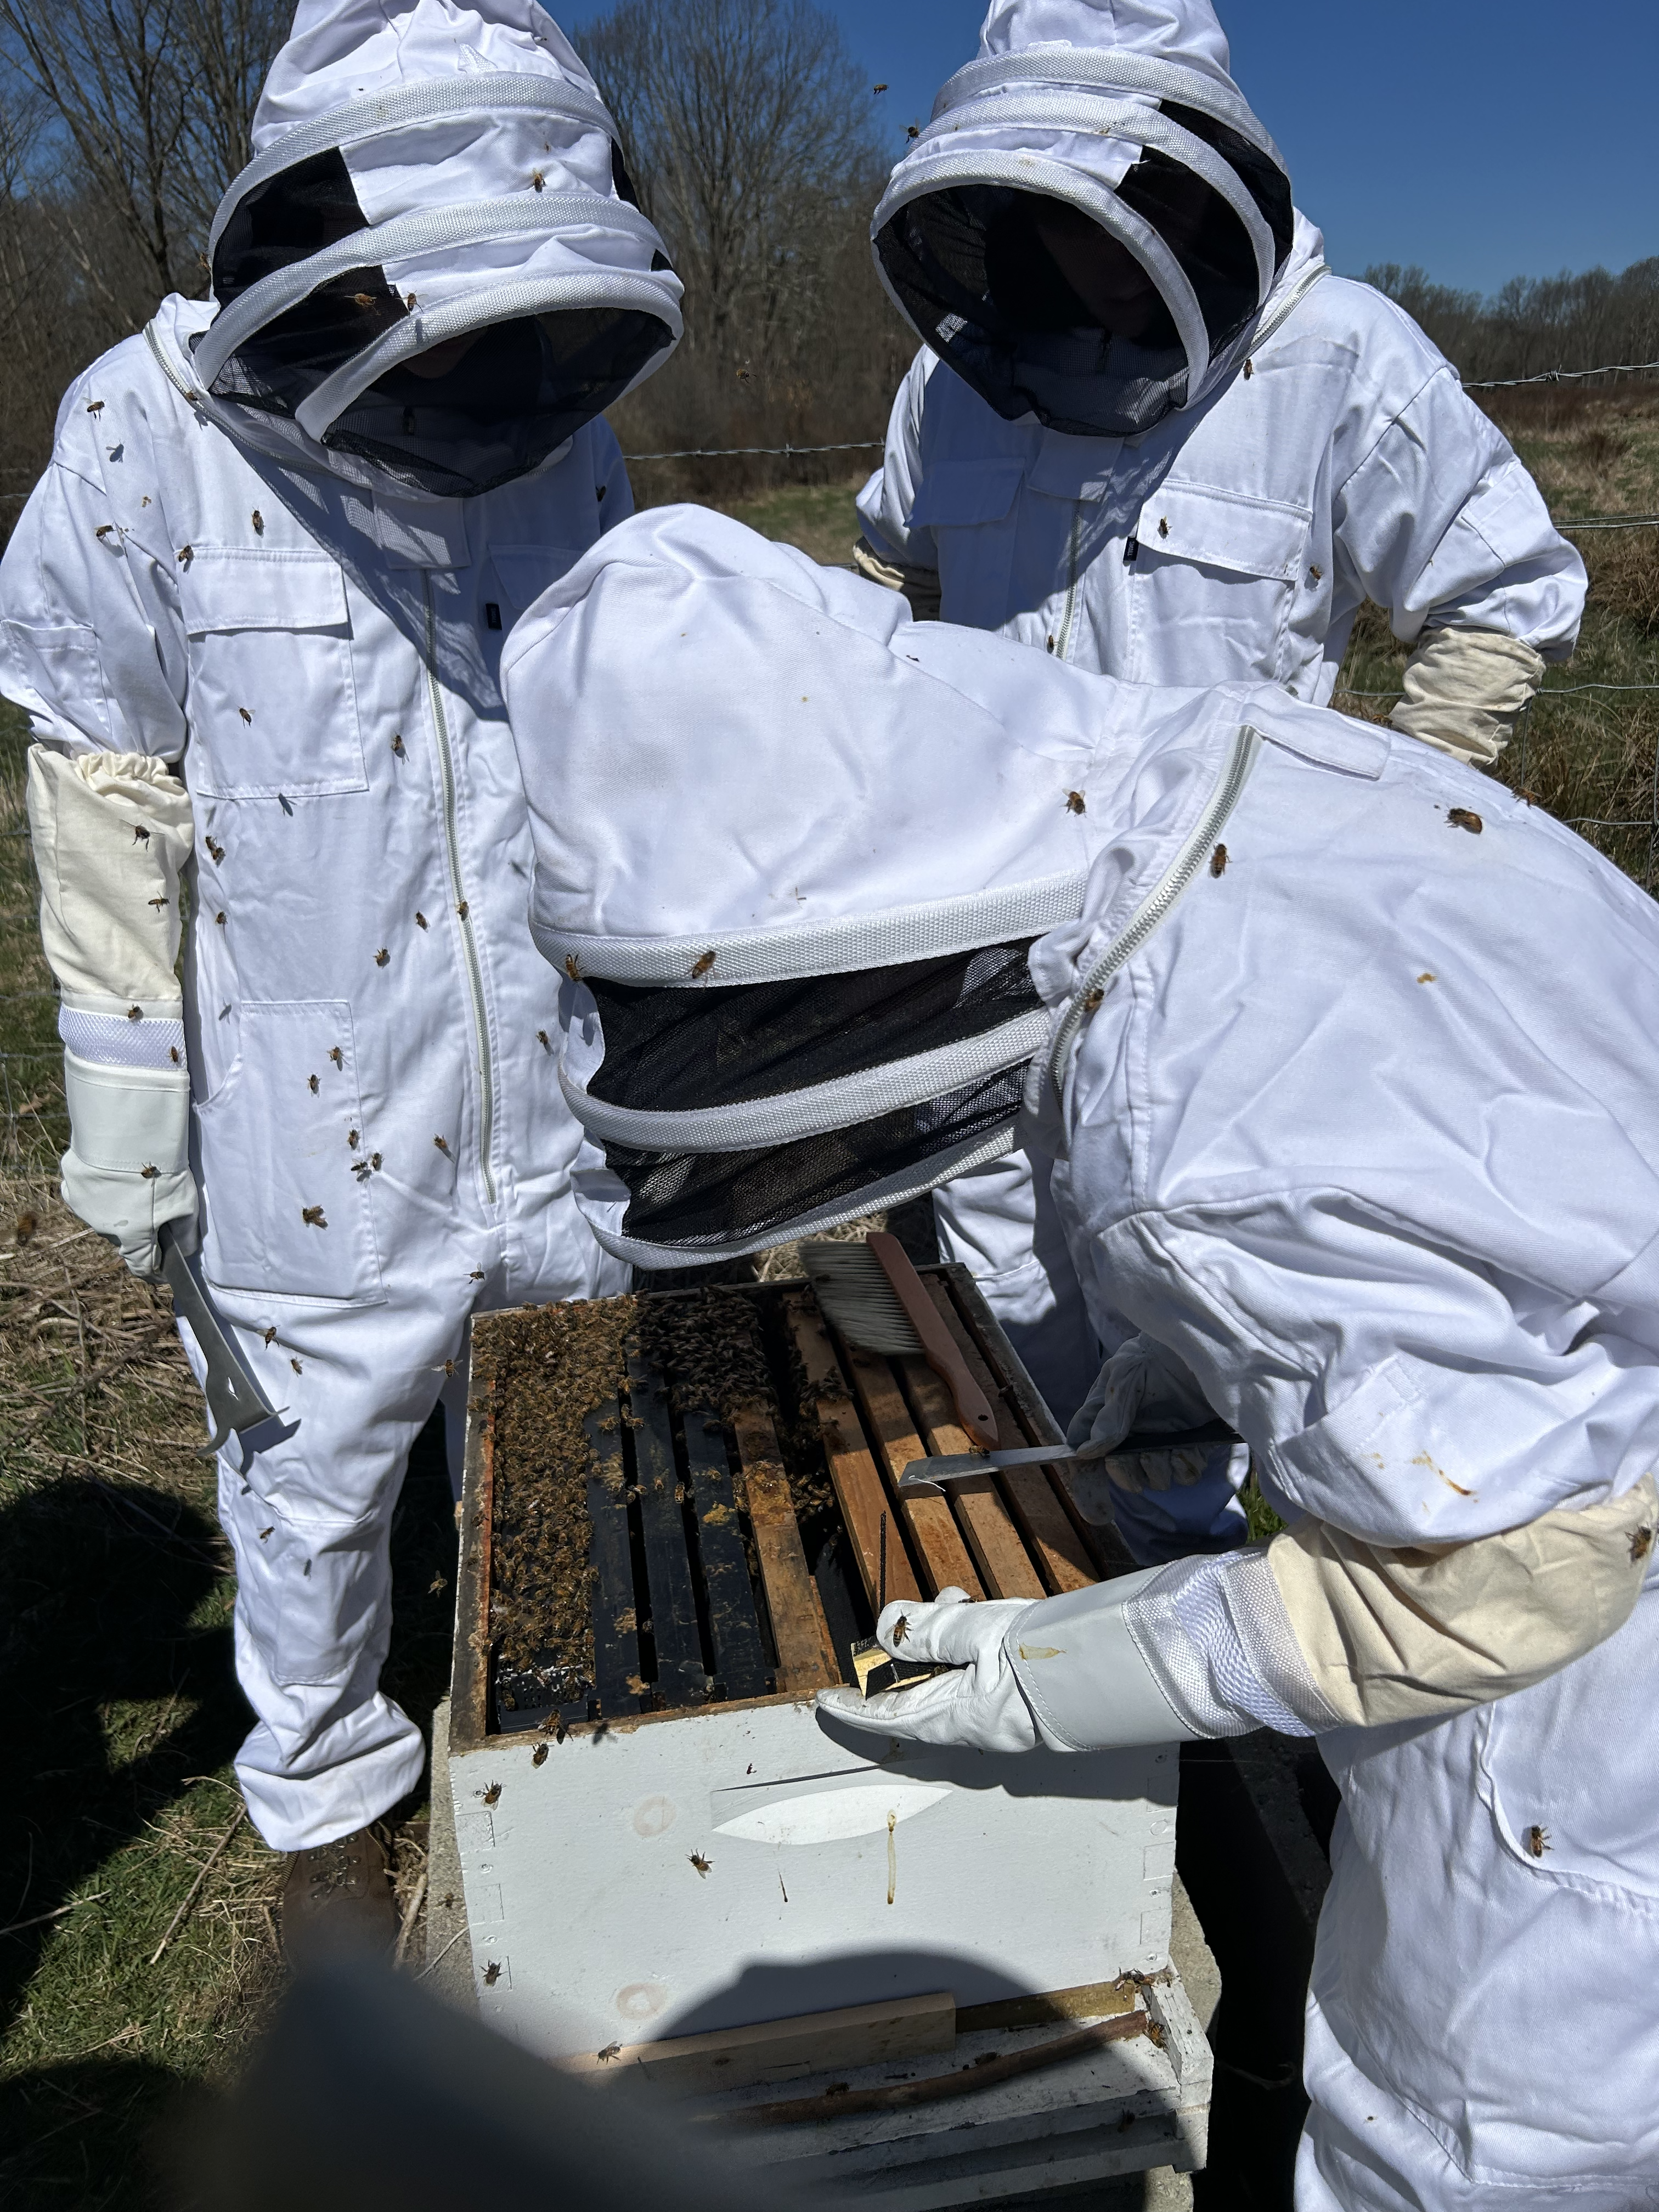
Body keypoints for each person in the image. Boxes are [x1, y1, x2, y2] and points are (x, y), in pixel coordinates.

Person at [499, 503, 1658, 2212]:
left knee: (1459, 2144)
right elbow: (1443, 1204)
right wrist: (1160, 1398)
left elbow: (1492, 1594)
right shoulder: (1226, 775)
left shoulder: (1202, 1135)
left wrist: (1061, 1673)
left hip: (1589, 1713)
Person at [1, 0, 682, 1960]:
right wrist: (127, 1091)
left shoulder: (560, 432)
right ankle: (326, 1821)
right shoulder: (144, 430)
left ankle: (553, 1741)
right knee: (308, 1476)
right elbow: (104, 773)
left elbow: (610, 725)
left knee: (563, 1407)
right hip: (314, 1104)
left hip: (549, 1064)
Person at [853, 0, 1588, 1562]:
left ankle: (1200, 1612)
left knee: (1205, 1312)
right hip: (978, 942)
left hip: (1220, 959)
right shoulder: (953, 385)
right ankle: (1061, 1592)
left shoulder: (1337, 356)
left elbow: (1503, 594)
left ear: (1200, 177)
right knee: (1007, 1284)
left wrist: (1378, 828)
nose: (1097, 246)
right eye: (1056, 205)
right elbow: (886, 578)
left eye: (1125, 195)